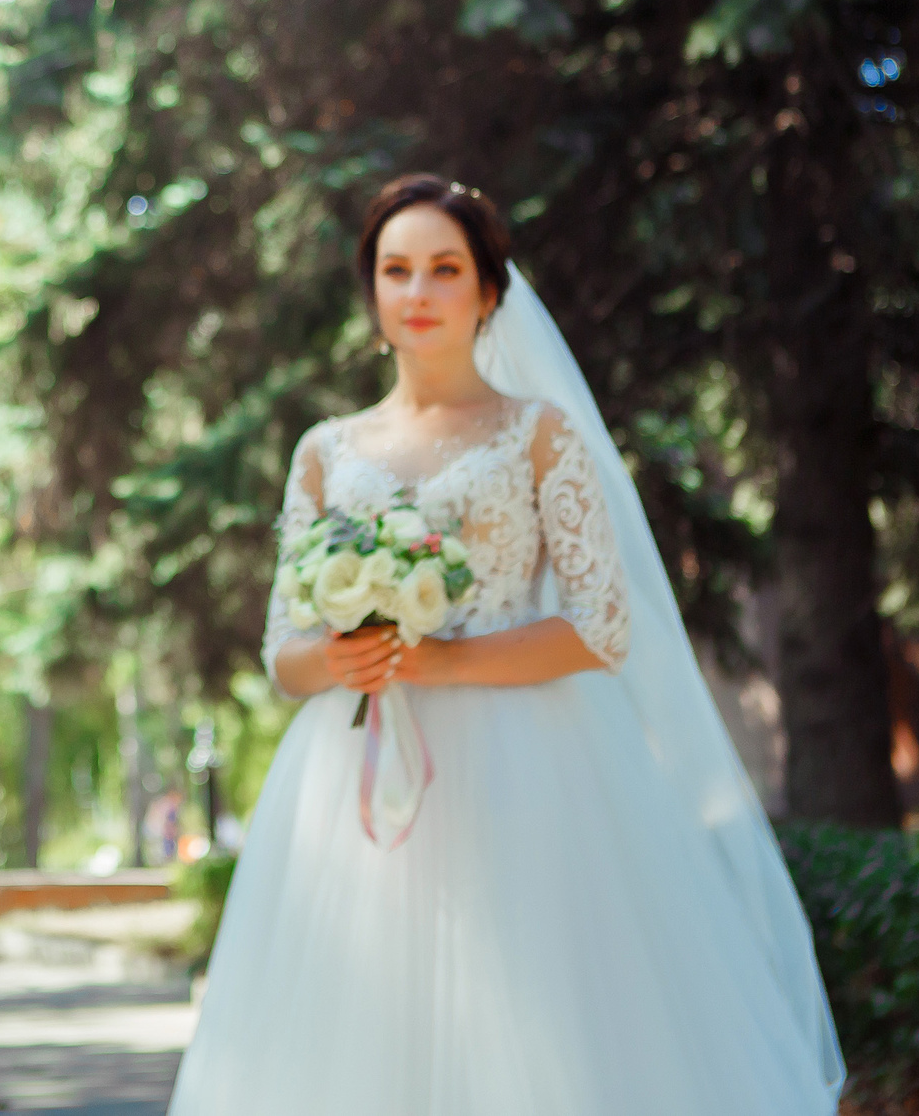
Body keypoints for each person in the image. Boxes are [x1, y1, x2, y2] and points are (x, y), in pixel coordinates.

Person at [167, 175, 844, 1115]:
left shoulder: (539, 433)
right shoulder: (326, 450)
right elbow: (284, 649)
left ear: (488, 291)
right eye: (397, 269)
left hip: (529, 772)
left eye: (445, 269)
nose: (418, 291)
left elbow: (603, 625)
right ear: (372, 290)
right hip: (356, 777)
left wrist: (448, 660)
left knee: (537, 1032)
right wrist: (339, 660)